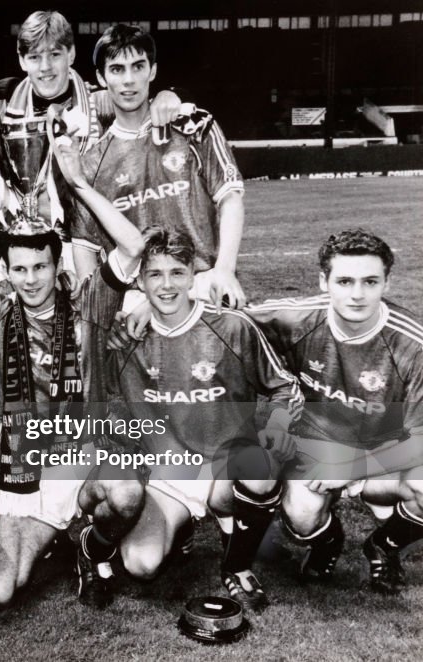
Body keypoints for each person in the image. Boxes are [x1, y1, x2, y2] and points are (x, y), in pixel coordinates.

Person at [0, 134, 147, 609]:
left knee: (127, 494)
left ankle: (93, 549)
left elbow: (133, 245)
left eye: (41, 267)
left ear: (57, 265)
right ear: (5, 270)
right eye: (20, 268)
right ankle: (45, 535)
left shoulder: (88, 303)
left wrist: (78, 183)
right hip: (26, 468)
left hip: (82, 455)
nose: (30, 280)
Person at [110, 227, 301, 611]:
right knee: (140, 564)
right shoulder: (126, 340)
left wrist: (277, 427)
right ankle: (181, 528)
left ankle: (238, 564)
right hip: (172, 472)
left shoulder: (231, 326)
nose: (167, 286)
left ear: (193, 274)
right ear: (139, 280)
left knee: (260, 468)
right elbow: (113, 407)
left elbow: (284, 387)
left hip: (226, 463)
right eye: (154, 274)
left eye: (177, 273)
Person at [246, 229, 423, 594]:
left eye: (370, 281)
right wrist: (140, 308)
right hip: (318, 445)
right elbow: (223, 321)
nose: (357, 294)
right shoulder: (293, 319)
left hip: (386, 453)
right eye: (344, 281)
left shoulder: (413, 345)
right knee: (301, 517)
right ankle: (328, 541)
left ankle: (383, 546)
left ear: (386, 282)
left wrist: (350, 469)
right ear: (323, 281)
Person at [0, 11, 181, 279]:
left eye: (54, 54)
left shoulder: (101, 104)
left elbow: (141, 100)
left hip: (84, 246)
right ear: (21, 60)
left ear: (71, 54)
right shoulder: (1, 105)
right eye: (35, 57)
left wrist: (169, 96)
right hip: (26, 247)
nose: (45, 67)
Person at [73, 24, 245, 315]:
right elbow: (85, 248)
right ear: (102, 78)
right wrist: (98, 312)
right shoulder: (90, 162)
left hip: (202, 285)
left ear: (152, 71)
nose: (128, 80)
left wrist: (225, 270)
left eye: (137, 66)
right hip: (135, 299)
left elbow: (230, 199)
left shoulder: (195, 126)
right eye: (116, 69)